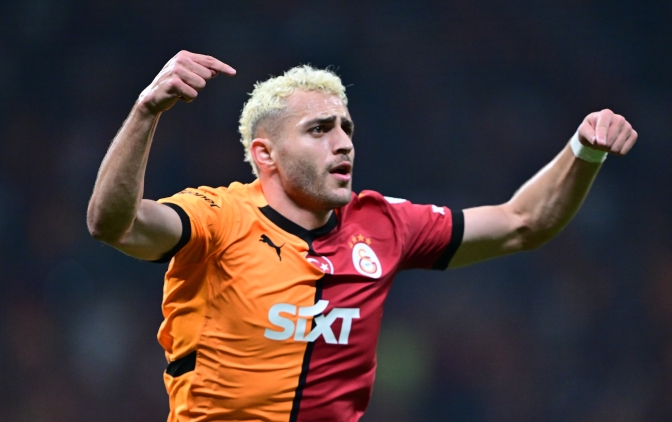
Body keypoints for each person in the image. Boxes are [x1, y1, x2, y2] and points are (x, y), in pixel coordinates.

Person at [87, 51, 638, 422]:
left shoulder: (383, 224)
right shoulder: (218, 216)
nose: (343, 143)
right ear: (265, 155)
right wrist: (146, 111)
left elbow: (522, 223)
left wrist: (583, 151)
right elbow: (114, 223)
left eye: (346, 128)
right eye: (319, 130)